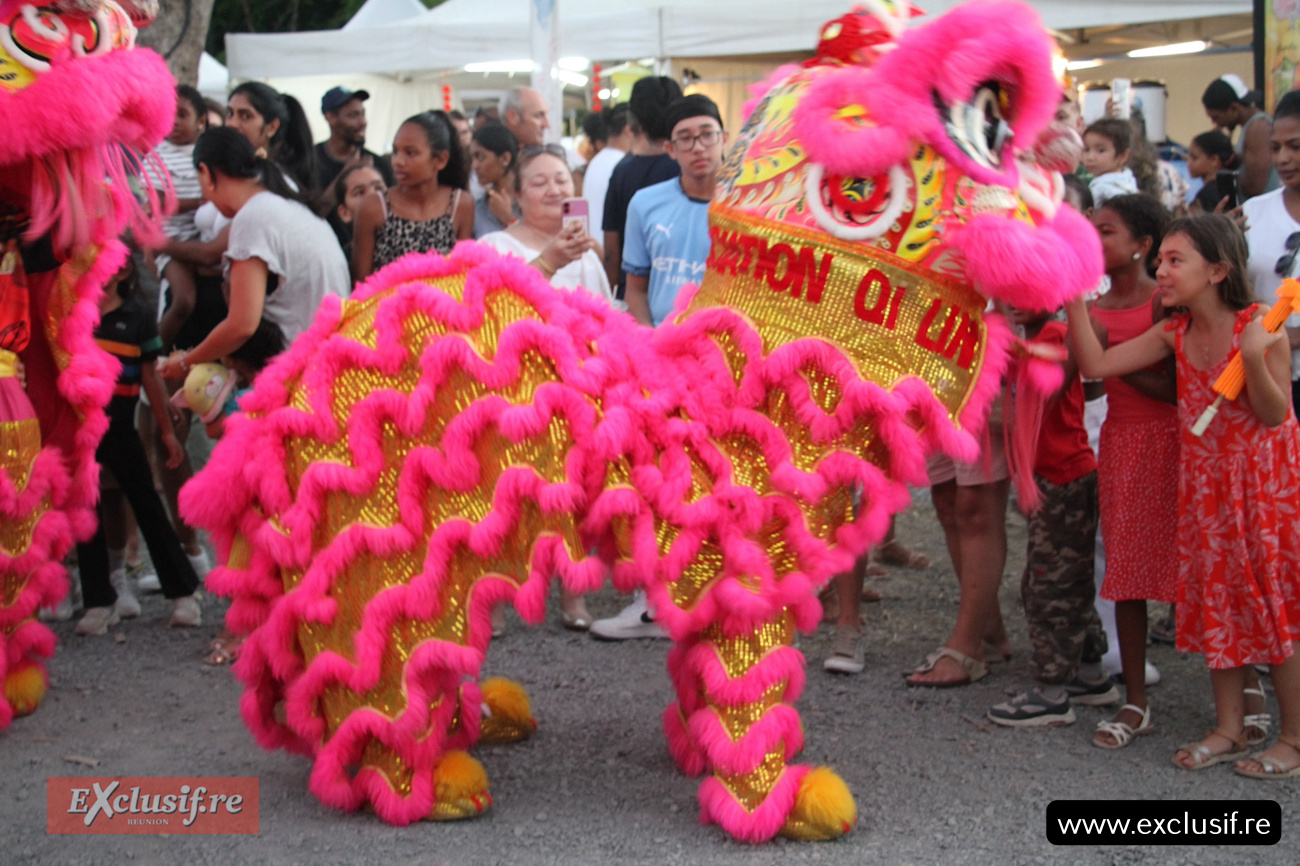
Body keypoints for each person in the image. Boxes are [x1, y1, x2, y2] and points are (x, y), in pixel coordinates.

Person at [1066, 214, 1300, 778]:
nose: (1160, 271)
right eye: (1161, 259)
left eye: (1176, 261)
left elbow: (1274, 415)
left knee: (1274, 609)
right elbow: (1096, 365)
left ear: (1218, 271)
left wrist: (1250, 355)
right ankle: (1226, 727)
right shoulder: (1176, 332)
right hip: (1206, 487)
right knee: (1218, 599)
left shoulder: (1259, 326)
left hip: (1261, 490)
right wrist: (1073, 296)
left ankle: (1293, 737)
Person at [478, 144, 618, 634]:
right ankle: (493, 600)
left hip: (575, 388)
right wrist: (548, 259)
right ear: (516, 195)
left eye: (561, 179)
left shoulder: (585, 252)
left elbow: (605, 318)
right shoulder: (495, 246)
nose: (555, 190)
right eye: (539, 182)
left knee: (574, 491)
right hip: (514, 390)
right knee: (506, 496)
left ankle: (573, 595)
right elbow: (493, 312)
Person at [985, 302, 1118, 726]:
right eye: (1008, 294)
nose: (1014, 303)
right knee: (1065, 579)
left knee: (1047, 586)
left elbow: (1051, 388)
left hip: (1064, 479)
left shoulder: (1057, 338)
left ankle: (1051, 692)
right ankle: (1090, 673)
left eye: (1025, 293)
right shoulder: (1029, 339)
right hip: (1050, 477)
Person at [1079, 194, 1178, 748]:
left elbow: (1174, 390)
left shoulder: (1162, 304)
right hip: (1122, 443)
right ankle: (1135, 699)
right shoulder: (1094, 308)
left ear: (1143, 245)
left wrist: (1115, 352)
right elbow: (1092, 384)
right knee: (1128, 573)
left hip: (1169, 442)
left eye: (1107, 232)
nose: (1095, 241)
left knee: (1203, 568)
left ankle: (1243, 695)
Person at [159, 127, 350, 381]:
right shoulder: (283, 198)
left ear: (206, 174)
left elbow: (241, 325)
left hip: (302, 376)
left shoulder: (253, 217)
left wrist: (185, 362)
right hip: (328, 363)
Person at [75, 258, 201, 635]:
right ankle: (99, 602)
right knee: (87, 515)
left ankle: (183, 594)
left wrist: (165, 432)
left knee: (147, 506)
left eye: (104, 265)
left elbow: (150, 377)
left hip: (121, 427)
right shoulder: (74, 314)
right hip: (82, 432)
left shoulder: (138, 318)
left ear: (123, 272)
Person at [622, 94, 724, 327]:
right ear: (670, 149)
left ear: (724, 139)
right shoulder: (644, 203)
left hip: (724, 346)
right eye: (685, 139)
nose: (698, 147)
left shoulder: (746, 208)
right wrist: (649, 342)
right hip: (661, 340)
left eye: (707, 135)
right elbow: (636, 289)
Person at [351, 111, 474, 281]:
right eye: (395, 152)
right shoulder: (374, 207)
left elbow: (463, 276)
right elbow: (361, 284)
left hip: (443, 306)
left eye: (410, 153)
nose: (398, 161)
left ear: (440, 160)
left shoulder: (460, 204)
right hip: (385, 306)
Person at [1243, 90, 1300, 414]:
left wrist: (1293, 336)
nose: (1282, 159)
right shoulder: (1253, 213)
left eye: (1295, 147)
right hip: (1266, 381)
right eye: (1276, 148)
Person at [602, 77, 683, 297]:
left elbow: (611, 250)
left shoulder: (622, 170)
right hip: (680, 293)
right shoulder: (688, 168)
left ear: (636, 118)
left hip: (631, 295)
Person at [150, 84, 208, 350]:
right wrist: (197, 202)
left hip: (205, 238)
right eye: (170, 114)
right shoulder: (158, 155)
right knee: (184, 300)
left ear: (201, 121)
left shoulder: (206, 152)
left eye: (182, 115)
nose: (174, 121)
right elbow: (155, 203)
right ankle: (154, 350)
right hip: (172, 242)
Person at [226, 81, 318, 197]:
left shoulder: (279, 184)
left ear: (272, 127)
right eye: (229, 114)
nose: (232, 124)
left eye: (245, 116)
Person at [1203, 74, 1279, 200]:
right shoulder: (1250, 127)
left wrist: (1218, 176)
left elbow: (1255, 186)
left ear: (1233, 109)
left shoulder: (1258, 128)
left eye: (1215, 117)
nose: (1214, 123)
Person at [313, 86, 394, 197]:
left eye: (363, 114)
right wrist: (347, 174)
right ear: (331, 118)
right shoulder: (310, 161)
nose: (363, 122)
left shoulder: (378, 164)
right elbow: (311, 212)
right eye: (353, 115)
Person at [584, 104, 631, 238]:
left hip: (596, 248)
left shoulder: (597, 161)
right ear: (628, 130)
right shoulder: (622, 165)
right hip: (610, 248)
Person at [470, 122, 519, 238]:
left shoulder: (529, 202)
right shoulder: (477, 209)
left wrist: (509, 219)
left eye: (480, 157)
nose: (474, 165)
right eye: (472, 158)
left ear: (505, 158)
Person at [330, 163, 387, 258]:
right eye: (360, 192)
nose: (373, 196)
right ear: (344, 213)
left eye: (379, 188)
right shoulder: (341, 260)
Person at [1083, 119, 1138, 206]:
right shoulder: (1128, 178)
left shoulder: (1103, 189)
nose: (1090, 157)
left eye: (1101, 150)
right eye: (1087, 149)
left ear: (1122, 156)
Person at [1187, 130, 1238, 214]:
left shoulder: (1207, 195)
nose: (1188, 162)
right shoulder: (1233, 186)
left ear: (1214, 160)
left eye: (1194, 158)